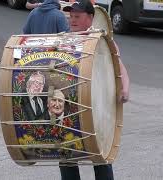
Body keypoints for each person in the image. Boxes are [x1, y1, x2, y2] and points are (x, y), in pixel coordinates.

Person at [60, 0, 130, 179]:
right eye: (71, 17)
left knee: (100, 155)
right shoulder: (65, 39)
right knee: (66, 152)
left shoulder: (103, 41)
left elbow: (119, 67)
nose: (72, 20)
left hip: (97, 108)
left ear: (90, 18)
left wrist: (125, 88)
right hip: (70, 105)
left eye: (77, 17)